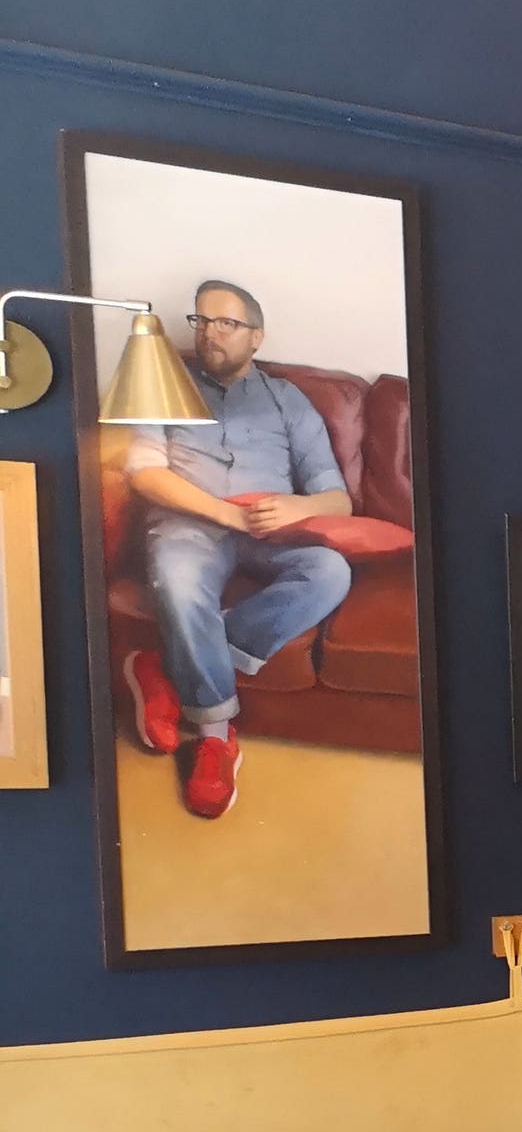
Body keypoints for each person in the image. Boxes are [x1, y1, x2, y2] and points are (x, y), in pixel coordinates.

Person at [118, 280, 356, 819]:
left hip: (272, 532)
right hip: (189, 525)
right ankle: (215, 736)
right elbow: (145, 474)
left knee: (330, 570)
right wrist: (224, 512)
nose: (209, 334)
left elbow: (337, 498)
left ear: (256, 337)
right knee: (179, 581)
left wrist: (297, 509)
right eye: (201, 321)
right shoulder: (162, 385)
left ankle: (166, 663)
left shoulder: (288, 400)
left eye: (226, 323)